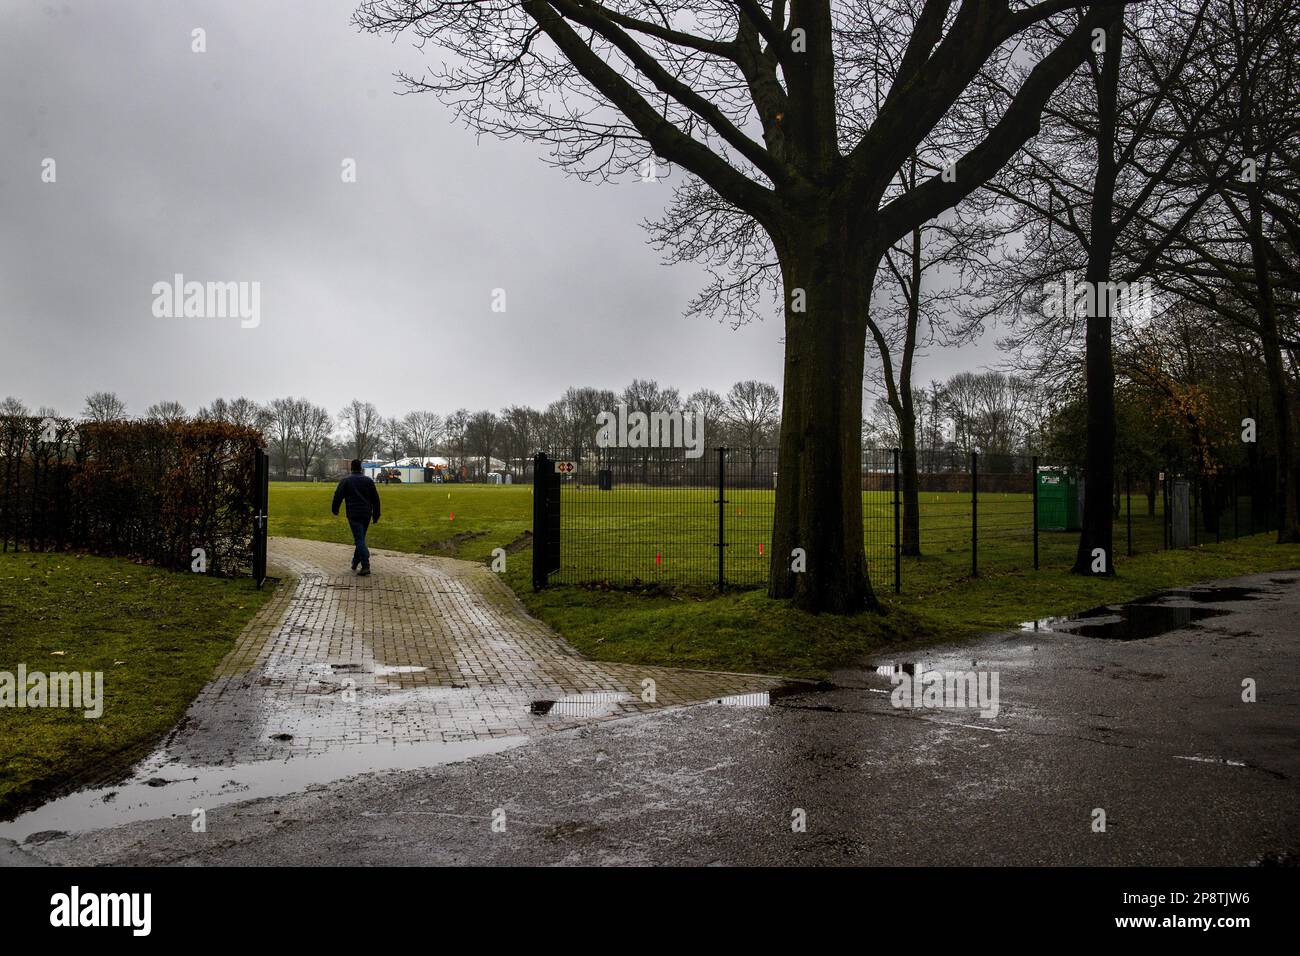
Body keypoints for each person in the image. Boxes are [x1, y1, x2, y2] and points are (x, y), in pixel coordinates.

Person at [332, 459, 381, 575]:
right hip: (366, 514)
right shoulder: (368, 481)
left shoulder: (346, 481)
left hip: (353, 514)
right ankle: (355, 561)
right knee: (361, 538)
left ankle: (365, 564)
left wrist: (335, 509)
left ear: (351, 468)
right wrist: (376, 514)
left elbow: (338, 496)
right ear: (361, 468)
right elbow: (376, 499)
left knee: (359, 539)